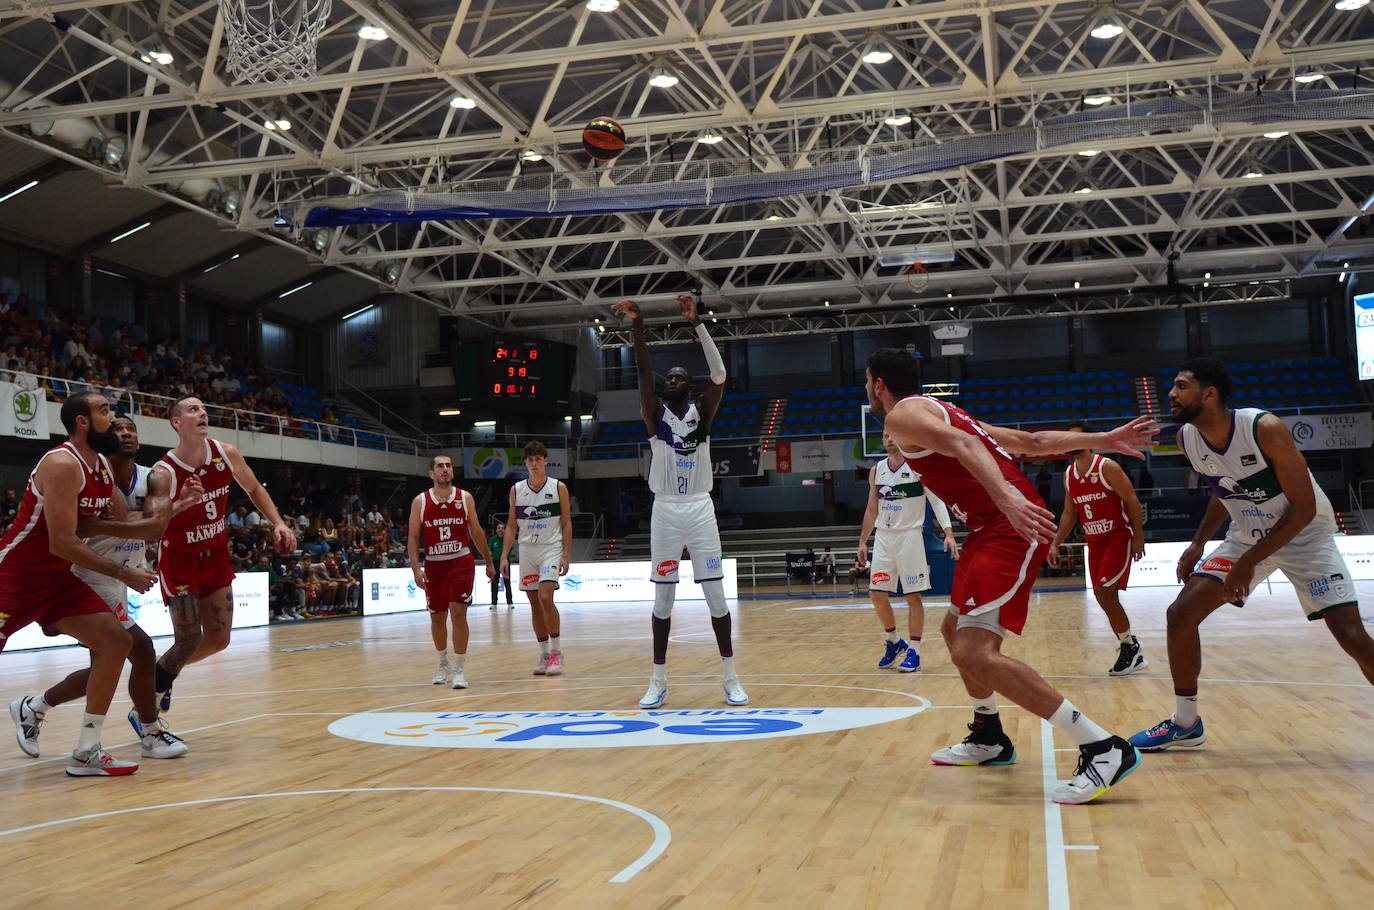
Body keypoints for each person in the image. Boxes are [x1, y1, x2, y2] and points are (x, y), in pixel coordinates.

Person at [864, 348, 1157, 804]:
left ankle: (1103, 747)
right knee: (952, 628)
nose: (868, 391)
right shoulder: (944, 412)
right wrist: (1102, 437)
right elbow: (1032, 441)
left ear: (878, 384)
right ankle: (988, 736)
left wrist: (1005, 499)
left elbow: (966, 448)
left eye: (868, 383)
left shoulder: (903, 415)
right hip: (992, 527)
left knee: (974, 652)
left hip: (1009, 526)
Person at [1128, 359, 1374, 751]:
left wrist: (1247, 562)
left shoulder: (1263, 428)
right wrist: (1198, 543)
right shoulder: (1187, 437)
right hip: (1247, 536)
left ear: (1209, 394)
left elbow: (1304, 508)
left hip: (1304, 535)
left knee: (1352, 637)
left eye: (1180, 386)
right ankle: (1186, 722)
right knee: (1180, 614)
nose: (1171, 394)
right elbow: (1224, 491)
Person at [12, 417, 198, 760]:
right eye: (117, 429)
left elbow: (152, 525)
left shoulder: (152, 477)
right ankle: (150, 731)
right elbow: (129, 526)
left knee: (107, 660)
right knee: (140, 650)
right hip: (84, 574)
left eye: (132, 430)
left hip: (117, 576)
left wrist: (175, 507)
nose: (126, 434)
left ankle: (35, 706)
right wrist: (146, 522)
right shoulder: (90, 477)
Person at [1, 393, 159, 776]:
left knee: (117, 642)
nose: (113, 418)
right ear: (83, 421)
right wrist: (125, 574)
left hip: (58, 580)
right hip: (15, 578)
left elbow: (123, 524)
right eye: (105, 411)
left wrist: (178, 508)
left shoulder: (102, 467)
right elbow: (62, 541)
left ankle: (87, 750)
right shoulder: (61, 463)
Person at [614, 295, 746, 709]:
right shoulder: (654, 414)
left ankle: (730, 677)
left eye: (678, 377)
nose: (670, 380)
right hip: (666, 511)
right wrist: (638, 326)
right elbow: (642, 369)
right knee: (663, 601)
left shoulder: (702, 414)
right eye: (667, 377)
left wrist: (697, 324)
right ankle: (658, 679)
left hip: (701, 511)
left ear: (688, 386)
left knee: (716, 599)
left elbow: (720, 373)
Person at [149, 396, 297, 714]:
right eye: (192, 410)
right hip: (180, 561)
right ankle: (152, 696)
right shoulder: (164, 471)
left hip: (215, 555)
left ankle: (162, 672)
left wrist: (278, 523)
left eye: (203, 408)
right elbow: (152, 526)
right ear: (177, 423)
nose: (202, 413)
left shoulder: (225, 453)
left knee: (218, 640)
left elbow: (255, 489)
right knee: (187, 639)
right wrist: (182, 504)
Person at [1048, 422, 1148, 676]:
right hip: (1094, 543)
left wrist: (1138, 536)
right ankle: (1130, 648)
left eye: (1077, 438)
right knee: (1105, 597)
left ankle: (1130, 646)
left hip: (1117, 538)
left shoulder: (1107, 467)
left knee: (1104, 593)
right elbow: (1070, 514)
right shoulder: (1069, 474)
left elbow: (1132, 500)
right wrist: (1055, 543)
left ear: (1090, 441)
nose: (1073, 443)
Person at [856, 431, 959, 673]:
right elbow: (872, 509)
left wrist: (949, 532)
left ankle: (914, 650)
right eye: (885, 436)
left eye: (894, 435)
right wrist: (863, 541)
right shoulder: (876, 470)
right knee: (877, 594)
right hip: (883, 537)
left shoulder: (919, 468)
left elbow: (937, 500)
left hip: (910, 537)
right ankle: (894, 642)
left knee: (913, 597)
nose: (890, 439)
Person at [408, 454, 495, 689]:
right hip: (435, 565)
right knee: (437, 618)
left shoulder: (465, 498)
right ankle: (443, 662)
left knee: (458, 613)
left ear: (452, 472)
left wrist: (488, 560)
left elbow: (476, 531)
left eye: (448, 466)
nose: (445, 469)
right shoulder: (421, 501)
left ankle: (459, 669)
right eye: (439, 466)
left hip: (461, 562)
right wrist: (416, 569)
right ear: (431, 473)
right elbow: (413, 537)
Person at [500, 441, 572, 674]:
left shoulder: (558, 487)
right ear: (526, 463)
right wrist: (504, 556)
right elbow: (511, 525)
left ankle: (557, 653)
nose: (534, 464)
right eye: (530, 460)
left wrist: (566, 554)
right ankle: (543, 655)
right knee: (533, 603)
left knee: (545, 596)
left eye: (538, 459)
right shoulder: (516, 489)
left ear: (545, 461)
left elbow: (566, 522)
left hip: (550, 547)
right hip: (527, 550)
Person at [488, 521, 514, 609]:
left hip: (505, 561)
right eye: (499, 528)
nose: (501, 530)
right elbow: (489, 551)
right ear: (496, 530)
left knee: (507, 582)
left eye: (502, 528)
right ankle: (493, 603)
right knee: (494, 582)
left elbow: (511, 549)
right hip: (495, 562)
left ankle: (510, 603)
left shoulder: (507, 539)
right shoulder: (492, 540)